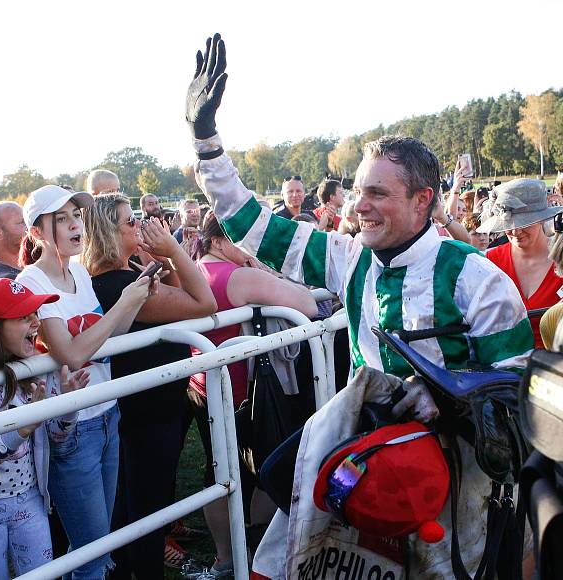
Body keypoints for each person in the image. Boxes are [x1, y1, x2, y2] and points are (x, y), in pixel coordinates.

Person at [184, 34, 532, 576]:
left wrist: (446, 397)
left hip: (455, 477)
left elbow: (515, 384)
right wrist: (205, 139)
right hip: (368, 452)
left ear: (423, 201)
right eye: (358, 191)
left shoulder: (476, 278)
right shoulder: (349, 257)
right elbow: (252, 226)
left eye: (378, 194)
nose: (359, 207)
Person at [15, 184, 154, 578]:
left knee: (98, 545)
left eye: (76, 216)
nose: (75, 224)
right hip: (73, 426)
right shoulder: (32, 284)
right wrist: (124, 304)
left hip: (108, 412)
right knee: (91, 555)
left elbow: (107, 337)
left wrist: (136, 298)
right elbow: (72, 354)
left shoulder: (78, 270)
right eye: (61, 219)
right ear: (38, 232)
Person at [81, 194, 216, 577]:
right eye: (130, 223)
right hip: (149, 411)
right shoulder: (122, 285)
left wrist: (164, 260)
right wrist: (173, 247)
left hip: (145, 407)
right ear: (108, 232)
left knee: (131, 505)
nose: (139, 227)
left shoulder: (124, 277)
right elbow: (203, 302)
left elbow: (182, 299)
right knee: (146, 510)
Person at [188, 212, 317, 577]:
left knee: (217, 471)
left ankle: (224, 559)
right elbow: (307, 304)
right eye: (239, 240)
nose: (248, 248)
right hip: (248, 393)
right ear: (216, 242)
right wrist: (262, 268)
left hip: (202, 385)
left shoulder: (193, 269)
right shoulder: (239, 275)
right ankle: (258, 555)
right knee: (263, 469)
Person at [0, 278, 89, 578]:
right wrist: (21, 428)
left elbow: (56, 440)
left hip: (31, 498)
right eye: (23, 317)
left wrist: (68, 406)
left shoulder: (34, 363)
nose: (36, 322)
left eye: (34, 313)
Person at [479, 179, 563, 349]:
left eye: (525, 222)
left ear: (542, 219)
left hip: (553, 368)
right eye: (508, 224)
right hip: (501, 370)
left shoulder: (561, 257)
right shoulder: (488, 262)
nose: (516, 231)